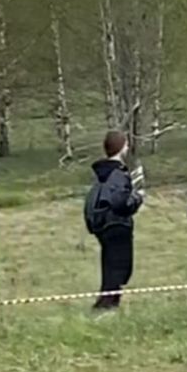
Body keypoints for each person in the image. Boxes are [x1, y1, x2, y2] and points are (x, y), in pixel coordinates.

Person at [84, 131, 144, 311]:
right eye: (126, 145)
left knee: (111, 266)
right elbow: (120, 202)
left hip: (103, 224)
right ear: (122, 147)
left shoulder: (102, 174)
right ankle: (106, 306)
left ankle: (108, 304)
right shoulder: (117, 174)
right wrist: (137, 198)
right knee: (118, 268)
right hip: (116, 224)